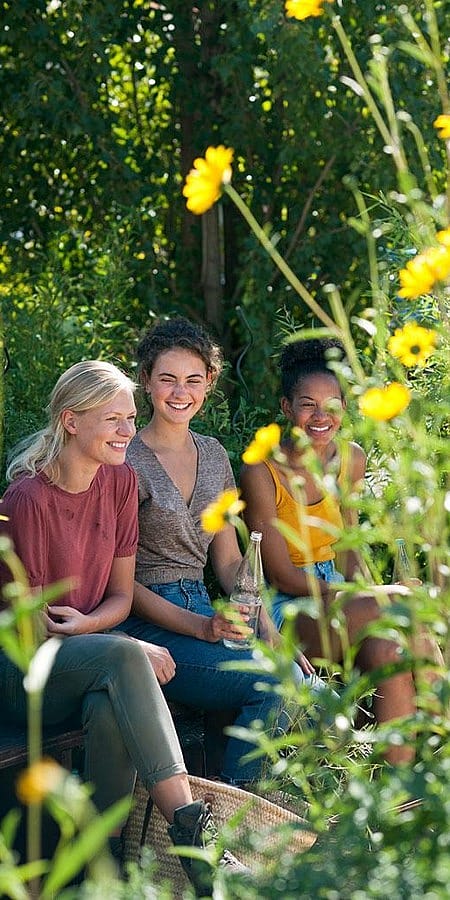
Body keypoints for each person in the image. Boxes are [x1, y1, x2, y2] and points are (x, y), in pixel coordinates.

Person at [0, 360, 246, 895]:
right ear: (71, 421)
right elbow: (38, 631)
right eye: (113, 420)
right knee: (125, 658)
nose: (127, 432)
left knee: (110, 709)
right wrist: (120, 642)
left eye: (130, 418)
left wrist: (95, 626)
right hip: (24, 674)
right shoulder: (27, 500)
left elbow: (118, 594)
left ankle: (103, 868)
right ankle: (194, 837)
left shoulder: (119, 484)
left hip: (85, 659)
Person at [114, 317, 314, 787]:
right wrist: (202, 627)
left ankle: (255, 811)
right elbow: (119, 585)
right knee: (274, 686)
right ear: (146, 381)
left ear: (209, 383)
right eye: (167, 379)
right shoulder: (124, 459)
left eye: (192, 380)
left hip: (205, 613)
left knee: (308, 689)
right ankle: (235, 818)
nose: (179, 392)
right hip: (150, 621)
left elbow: (227, 563)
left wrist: (269, 631)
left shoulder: (215, 455)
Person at [240, 336, 433, 766]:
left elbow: (347, 548)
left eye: (333, 404)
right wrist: (375, 600)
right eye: (308, 404)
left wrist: (368, 595)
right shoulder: (261, 468)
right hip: (288, 610)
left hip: (341, 599)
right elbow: (281, 575)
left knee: (390, 651)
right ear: (287, 407)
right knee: (409, 606)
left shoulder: (351, 458)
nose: (320, 417)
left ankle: (396, 790)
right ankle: (442, 721)